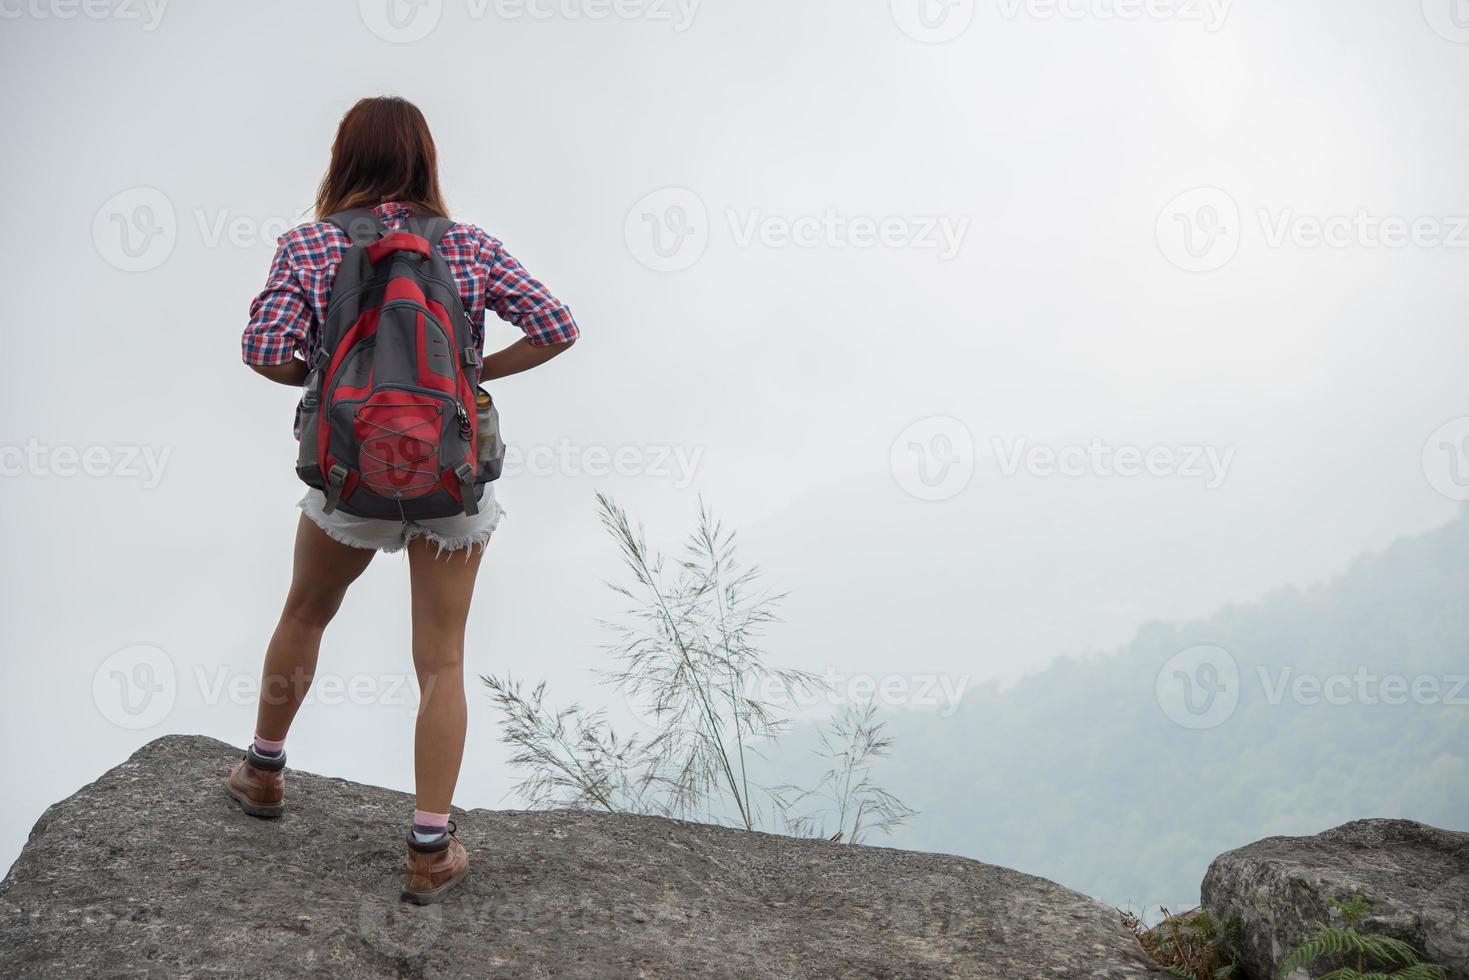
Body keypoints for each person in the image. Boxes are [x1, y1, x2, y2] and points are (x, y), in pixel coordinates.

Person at [228, 95, 578, 904]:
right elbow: (557, 325)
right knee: (442, 658)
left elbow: (260, 351)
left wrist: (322, 379)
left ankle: (262, 774)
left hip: (349, 468)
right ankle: (429, 846)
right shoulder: (469, 245)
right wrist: (468, 375)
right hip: (449, 471)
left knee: (305, 613)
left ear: (343, 158)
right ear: (425, 160)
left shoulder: (309, 244)